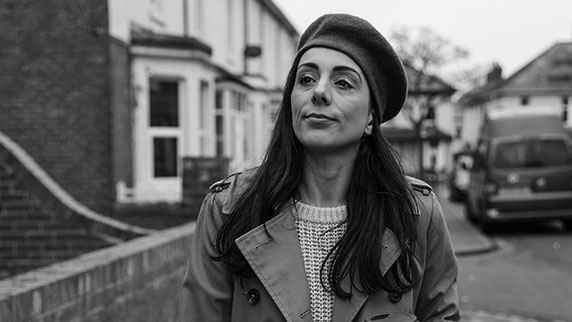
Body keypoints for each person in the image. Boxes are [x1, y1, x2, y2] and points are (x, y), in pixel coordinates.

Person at [179, 13, 460, 322]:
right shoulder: (228, 209)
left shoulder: (416, 213)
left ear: (370, 117)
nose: (319, 92)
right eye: (307, 79)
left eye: (343, 82)